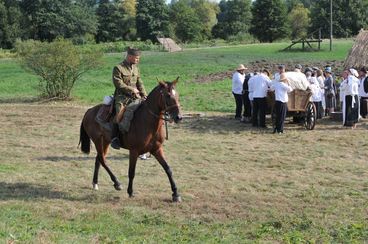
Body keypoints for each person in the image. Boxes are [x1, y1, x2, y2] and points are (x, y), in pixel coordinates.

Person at [110, 47, 147, 149]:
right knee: (119, 115)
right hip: (122, 97)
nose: (138, 60)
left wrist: (144, 94)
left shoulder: (136, 68)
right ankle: (115, 138)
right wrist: (131, 89)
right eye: (136, 58)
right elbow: (118, 84)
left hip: (136, 97)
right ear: (130, 56)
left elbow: (139, 82)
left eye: (138, 58)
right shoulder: (118, 68)